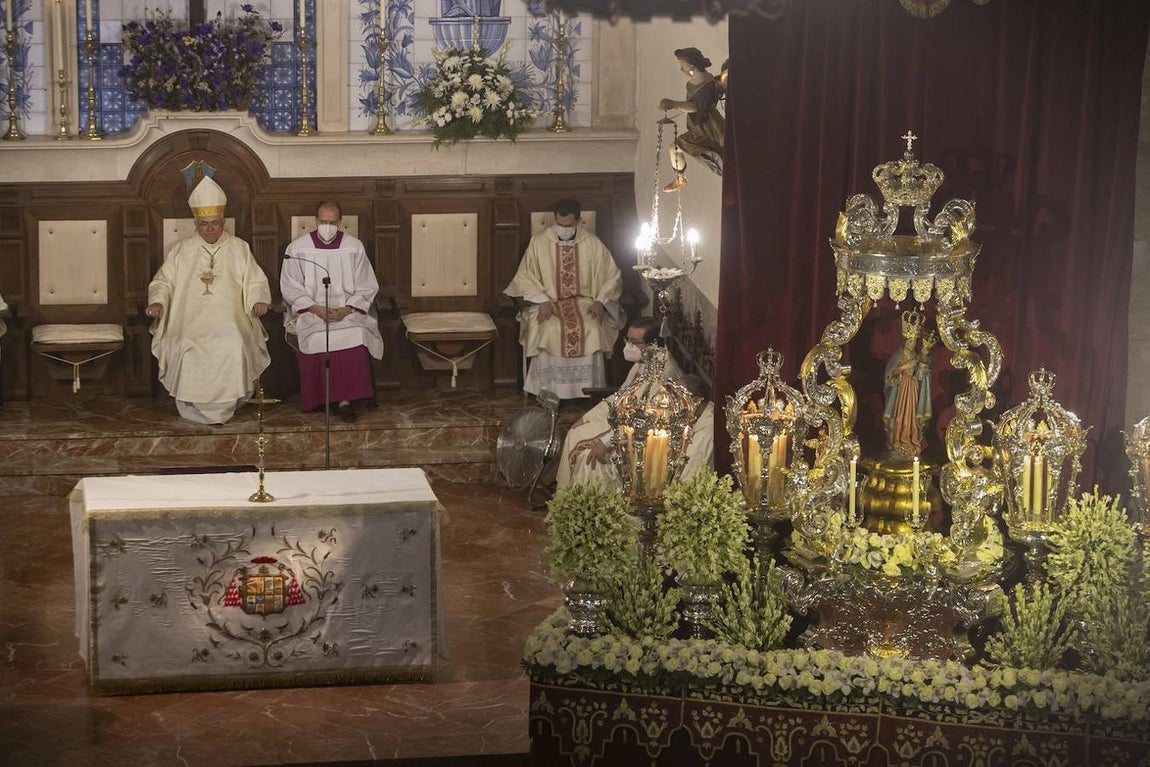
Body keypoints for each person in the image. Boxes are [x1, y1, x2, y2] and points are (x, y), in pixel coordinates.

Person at [145, 176, 271, 425]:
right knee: (185, 344)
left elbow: (255, 280)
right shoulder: (181, 250)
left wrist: (258, 300)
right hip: (187, 319)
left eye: (214, 223)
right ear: (196, 223)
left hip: (230, 320)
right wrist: (158, 302)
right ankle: (191, 405)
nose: (210, 229)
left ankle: (229, 403)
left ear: (223, 222)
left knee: (234, 343)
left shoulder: (239, 248)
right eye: (204, 224)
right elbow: (163, 282)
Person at [504, 198, 622, 400]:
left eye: (568, 225)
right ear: (554, 219)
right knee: (549, 329)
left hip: (584, 301)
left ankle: (590, 392)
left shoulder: (592, 244)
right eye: (559, 224)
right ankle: (548, 392)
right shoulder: (539, 242)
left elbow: (613, 275)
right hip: (549, 302)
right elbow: (525, 276)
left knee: (592, 329)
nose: (563, 229)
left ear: (579, 221)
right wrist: (541, 300)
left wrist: (600, 301)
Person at [281, 201, 384, 423]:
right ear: (316, 221)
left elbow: (367, 285)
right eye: (323, 222)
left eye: (332, 222)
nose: (327, 226)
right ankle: (320, 398)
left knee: (355, 334)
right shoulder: (298, 248)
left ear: (340, 222)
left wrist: (347, 308)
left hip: (347, 310)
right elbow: (290, 285)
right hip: (312, 310)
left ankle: (345, 401)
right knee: (319, 337)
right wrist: (316, 308)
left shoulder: (353, 246)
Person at [555, 318, 680, 489]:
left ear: (653, 344)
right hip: (624, 424)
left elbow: (647, 419)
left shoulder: (664, 373)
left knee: (588, 457)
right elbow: (620, 397)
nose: (628, 346)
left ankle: (589, 506)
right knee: (574, 432)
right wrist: (587, 417)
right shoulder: (644, 362)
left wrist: (606, 442)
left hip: (643, 438)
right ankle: (567, 497)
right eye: (627, 340)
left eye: (635, 342)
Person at [657, 47, 725, 191]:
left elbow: (695, 107)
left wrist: (674, 104)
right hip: (700, 123)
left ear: (692, 64)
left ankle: (680, 178)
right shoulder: (701, 77)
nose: (681, 68)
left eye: (683, 65)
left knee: (719, 151)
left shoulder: (703, 82)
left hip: (706, 126)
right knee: (675, 147)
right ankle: (680, 178)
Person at [883, 310, 935, 457]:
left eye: (914, 342)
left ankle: (911, 440)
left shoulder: (916, 355)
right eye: (910, 341)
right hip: (901, 388)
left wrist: (923, 357)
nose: (912, 344)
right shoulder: (898, 355)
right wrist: (903, 368)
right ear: (905, 341)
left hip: (913, 387)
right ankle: (897, 441)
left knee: (911, 416)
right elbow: (891, 373)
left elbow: (922, 371)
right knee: (900, 415)